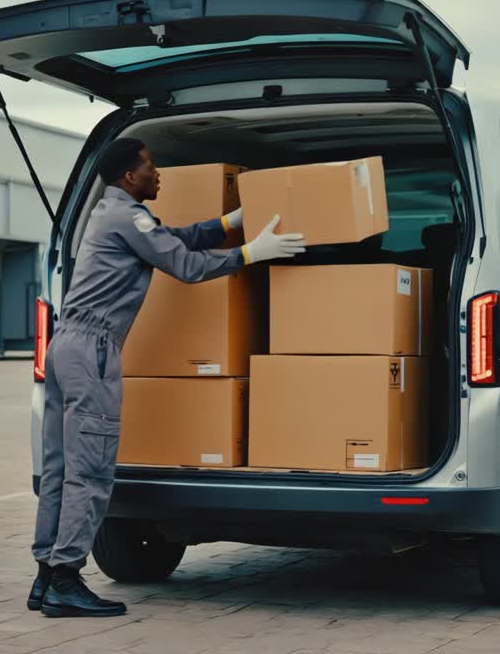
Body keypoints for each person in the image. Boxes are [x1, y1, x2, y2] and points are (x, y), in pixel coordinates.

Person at [28, 138, 306, 618]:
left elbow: (172, 238)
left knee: (59, 468)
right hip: (92, 349)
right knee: (90, 470)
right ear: (129, 177)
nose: (159, 175)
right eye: (150, 167)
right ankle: (67, 580)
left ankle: (46, 578)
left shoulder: (113, 213)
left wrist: (227, 224)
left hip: (63, 348)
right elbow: (185, 265)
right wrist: (250, 253)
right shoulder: (128, 216)